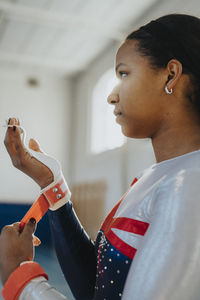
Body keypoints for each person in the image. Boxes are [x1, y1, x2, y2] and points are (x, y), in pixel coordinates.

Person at [1, 13, 200, 300]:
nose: (111, 96)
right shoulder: (157, 176)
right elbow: (94, 284)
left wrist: (21, 277)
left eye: (124, 74)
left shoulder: (190, 184)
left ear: (170, 74)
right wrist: (51, 181)